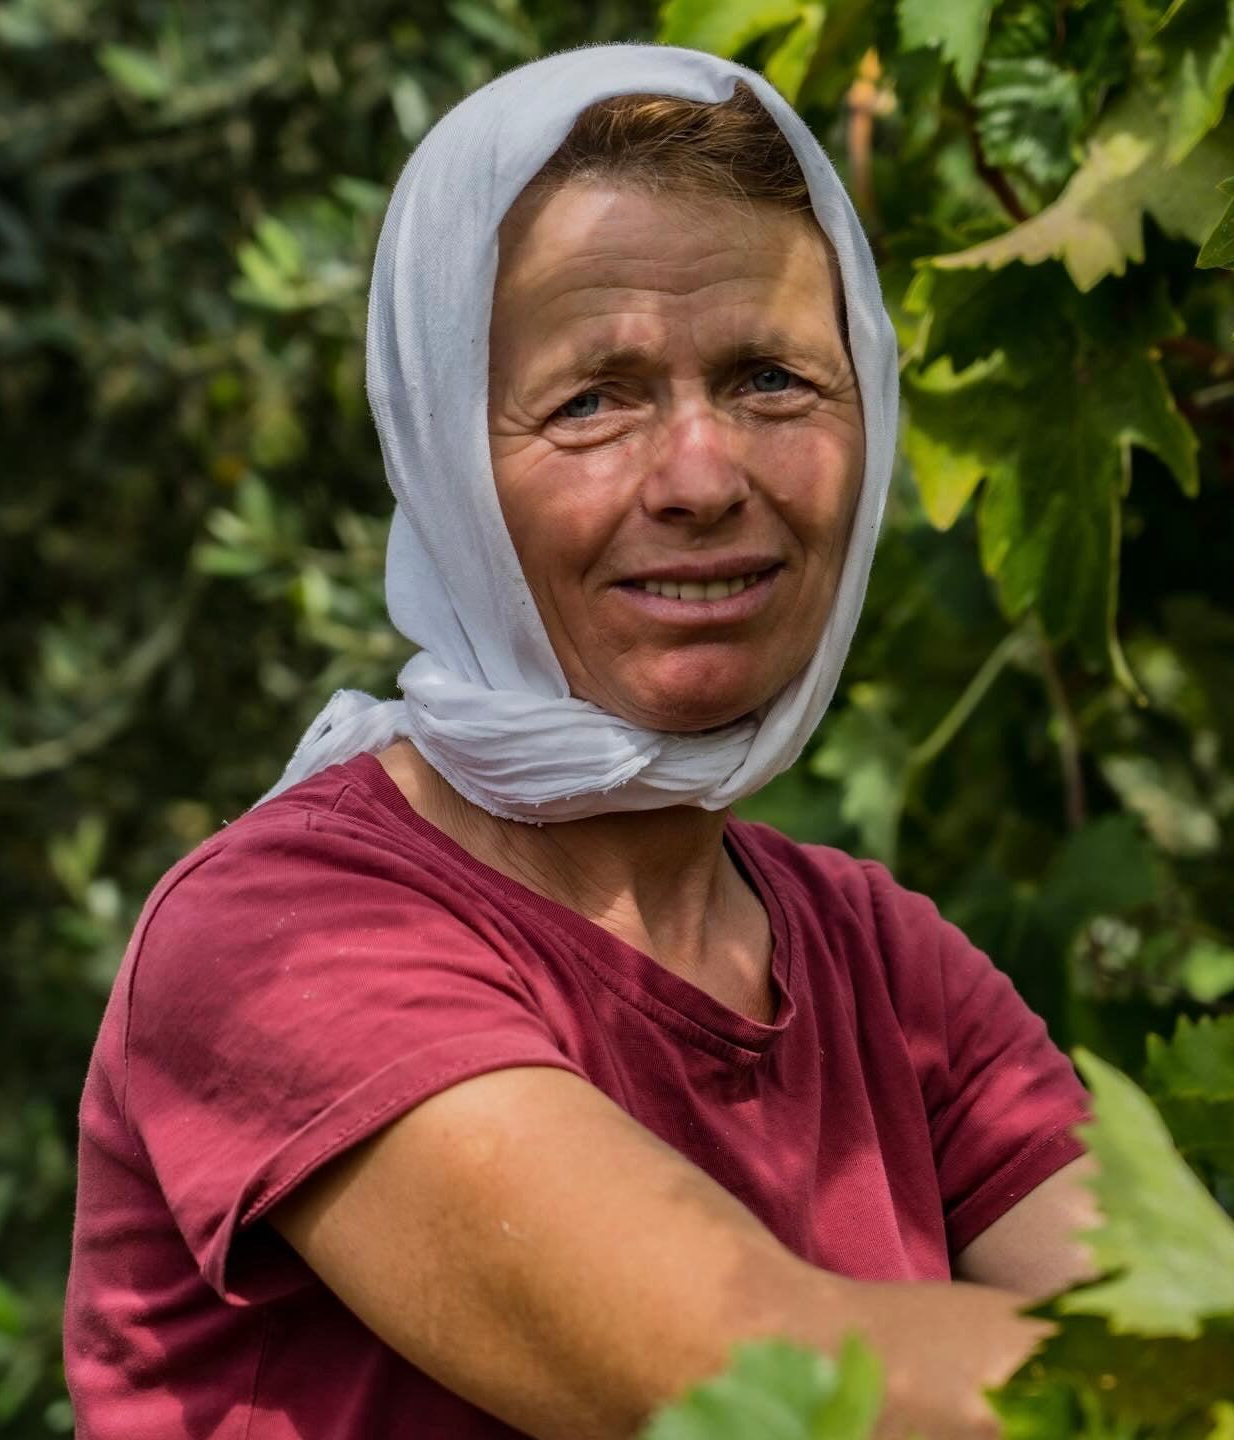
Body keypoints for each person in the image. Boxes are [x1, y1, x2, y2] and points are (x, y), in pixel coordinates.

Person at [64, 44, 1097, 1440]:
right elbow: (749, 1384)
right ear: (444, 459)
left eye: (771, 379)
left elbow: (1155, 1315)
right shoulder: (278, 938)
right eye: (590, 400)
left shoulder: (882, 965)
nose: (698, 477)